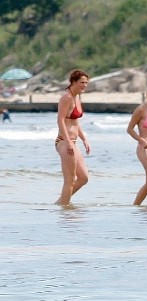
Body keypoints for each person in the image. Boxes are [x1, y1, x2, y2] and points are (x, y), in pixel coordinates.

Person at [55, 69, 91, 206]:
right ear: (73, 82)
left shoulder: (77, 97)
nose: (84, 85)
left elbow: (75, 122)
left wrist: (84, 139)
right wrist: (69, 142)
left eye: (86, 83)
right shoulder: (67, 97)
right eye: (82, 82)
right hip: (64, 142)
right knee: (69, 180)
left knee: (83, 178)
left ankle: (61, 202)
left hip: (73, 142)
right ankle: (65, 211)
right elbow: (60, 120)